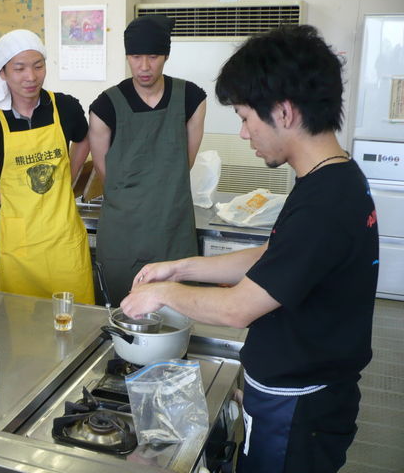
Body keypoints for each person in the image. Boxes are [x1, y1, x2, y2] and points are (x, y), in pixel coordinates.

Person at [120, 25, 379, 473]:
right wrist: (181, 268)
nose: (242, 133)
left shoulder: (326, 202)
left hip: (299, 406)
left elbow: (238, 308)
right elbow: (276, 259)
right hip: (294, 396)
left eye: (244, 117)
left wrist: (161, 294)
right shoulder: (330, 179)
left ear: (283, 111)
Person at [0, 30, 94, 303]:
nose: (31, 76)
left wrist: (70, 174)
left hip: (64, 241)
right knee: (24, 321)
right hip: (21, 247)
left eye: (38, 66)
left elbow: (84, 138)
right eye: (19, 68)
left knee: (75, 317)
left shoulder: (64, 107)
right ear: (3, 72)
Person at [88, 15, 207, 307]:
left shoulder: (191, 99)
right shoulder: (105, 107)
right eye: (136, 57)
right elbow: (105, 174)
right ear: (127, 57)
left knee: (176, 312)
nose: (144, 66)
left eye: (153, 57)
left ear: (166, 56)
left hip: (173, 229)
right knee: (123, 311)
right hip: (123, 235)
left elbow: (184, 163)